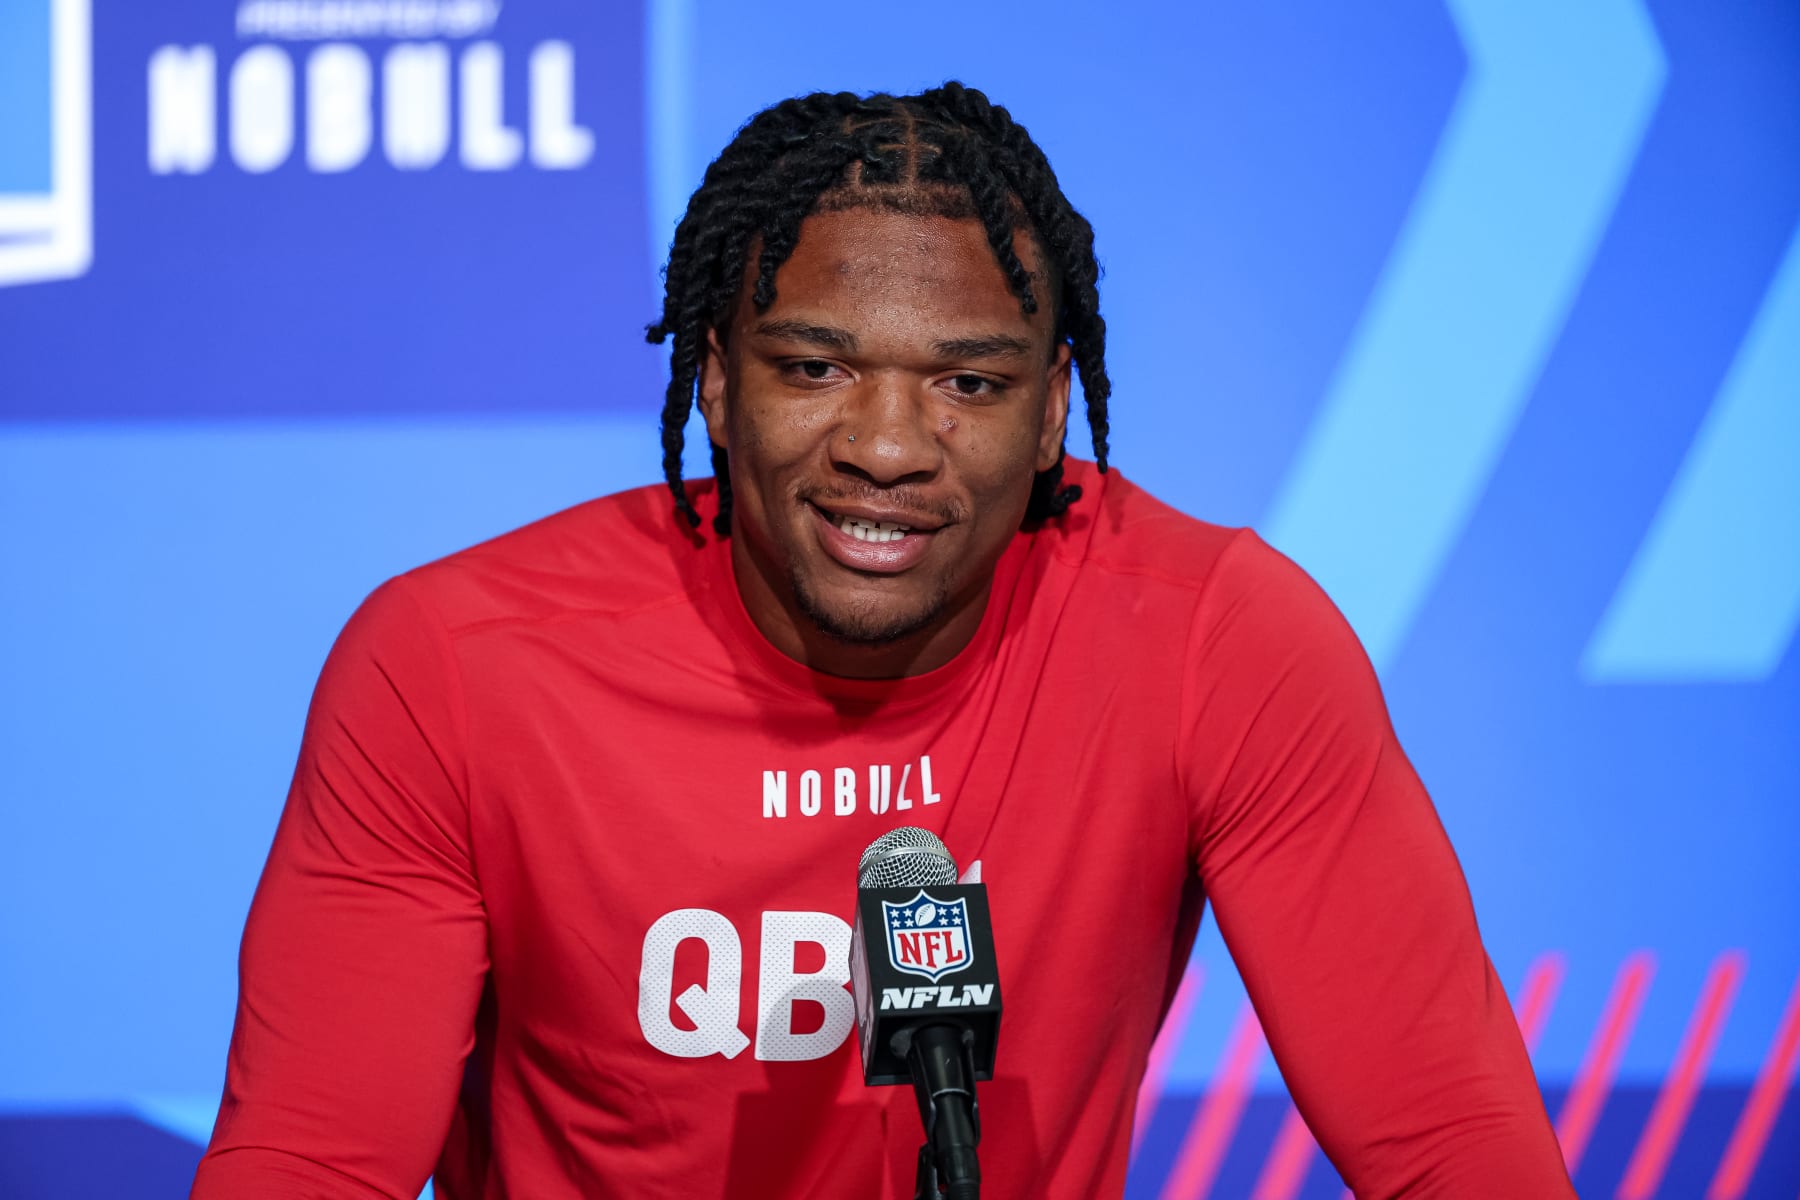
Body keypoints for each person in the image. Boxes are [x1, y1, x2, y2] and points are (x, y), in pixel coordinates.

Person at [190, 83, 1575, 1199]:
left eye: (967, 383)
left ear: (1050, 416)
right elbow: (311, 1161)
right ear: (718, 383)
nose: (889, 447)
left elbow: (1449, 1142)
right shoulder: (458, 662)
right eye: (814, 368)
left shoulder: (1214, 637)